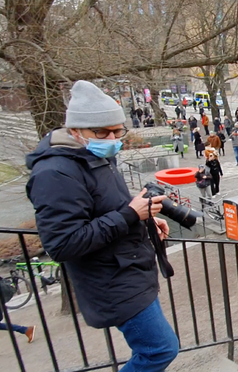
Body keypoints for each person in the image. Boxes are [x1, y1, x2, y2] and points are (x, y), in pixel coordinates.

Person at [25, 81, 179, 371]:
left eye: (117, 130)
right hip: (112, 280)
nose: (112, 138)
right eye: (101, 132)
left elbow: (109, 208)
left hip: (129, 270)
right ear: (75, 131)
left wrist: (144, 217)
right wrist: (130, 216)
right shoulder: (55, 173)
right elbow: (62, 243)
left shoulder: (96, 156)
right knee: (160, 350)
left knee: (158, 348)